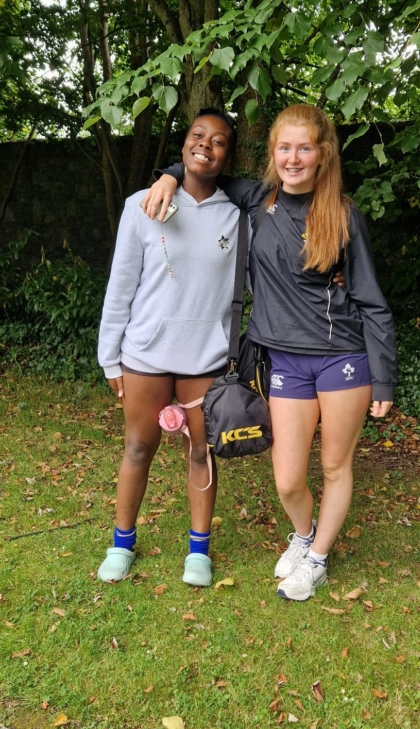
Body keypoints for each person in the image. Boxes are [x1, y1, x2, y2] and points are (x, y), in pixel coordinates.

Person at [141, 104, 397, 603]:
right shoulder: (259, 200)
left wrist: (383, 376)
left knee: (335, 466)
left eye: (304, 148)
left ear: (323, 155)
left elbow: (371, 301)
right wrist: (168, 176)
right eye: (285, 148)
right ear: (273, 153)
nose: (293, 158)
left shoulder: (344, 216)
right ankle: (303, 534)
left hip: (343, 357)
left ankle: (317, 559)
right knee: (287, 479)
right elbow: (204, 168)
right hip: (284, 361)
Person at [97, 108, 241, 588]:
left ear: (227, 156)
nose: (206, 145)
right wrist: (109, 357)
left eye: (218, 141)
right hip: (145, 355)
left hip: (206, 358)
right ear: (183, 145)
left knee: (201, 452)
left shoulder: (238, 216)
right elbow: (121, 287)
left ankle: (198, 552)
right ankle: (121, 543)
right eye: (198, 135)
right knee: (139, 446)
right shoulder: (142, 204)